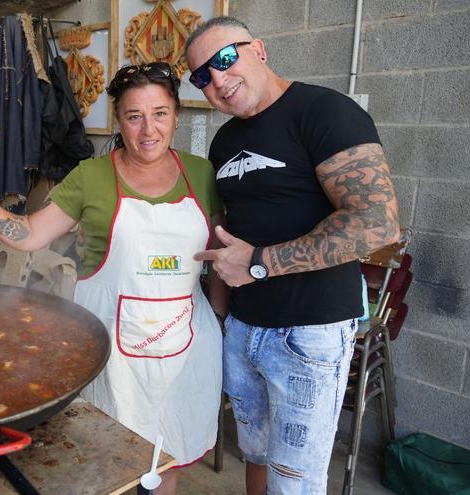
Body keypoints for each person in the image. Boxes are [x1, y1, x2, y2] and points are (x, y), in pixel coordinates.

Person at [0, 62, 227, 493]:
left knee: (168, 454)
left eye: (160, 114)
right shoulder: (91, 176)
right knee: (109, 459)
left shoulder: (202, 174)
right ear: (118, 120)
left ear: (176, 116)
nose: (148, 129)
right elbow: (33, 233)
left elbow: (221, 251)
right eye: (134, 116)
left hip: (185, 345)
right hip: (111, 348)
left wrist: (220, 316)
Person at [185, 16, 400, 495]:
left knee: (296, 482)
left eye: (224, 59)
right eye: (202, 76)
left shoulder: (324, 112)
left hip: (309, 333)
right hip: (243, 329)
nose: (217, 80)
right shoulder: (225, 141)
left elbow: (375, 222)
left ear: (258, 49)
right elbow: (228, 231)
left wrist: (261, 262)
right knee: (255, 457)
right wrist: (219, 315)